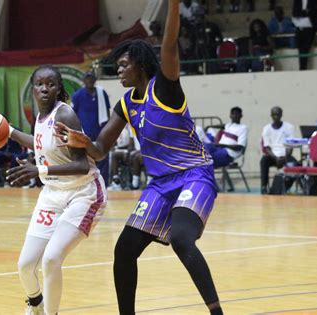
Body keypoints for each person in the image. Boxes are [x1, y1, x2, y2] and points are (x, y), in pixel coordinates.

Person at [54, 1, 223, 314]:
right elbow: (101, 148)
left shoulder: (166, 88)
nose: (118, 70)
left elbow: (170, 44)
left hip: (194, 175)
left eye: (124, 65)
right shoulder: (126, 103)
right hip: (159, 184)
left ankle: (217, 312)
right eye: (117, 66)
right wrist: (82, 142)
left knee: (182, 240)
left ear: (142, 65)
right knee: (124, 249)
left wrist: (172, 7)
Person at [5, 65, 107, 315]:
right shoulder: (40, 118)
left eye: (50, 84)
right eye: (39, 84)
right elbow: (41, 145)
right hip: (53, 194)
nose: (44, 88)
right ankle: (36, 302)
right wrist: (9, 132)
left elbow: (83, 165)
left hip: (83, 193)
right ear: (33, 88)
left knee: (51, 259)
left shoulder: (65, 115)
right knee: (26, 265)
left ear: (58, 88)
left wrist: (38, 171)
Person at [71, 71, 111, 185]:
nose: (90, 80)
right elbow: (73, 114)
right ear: (84, 80)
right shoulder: (78, 95)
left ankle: (104, 184)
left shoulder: (101, 93)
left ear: (95, 79)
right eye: (87, 78)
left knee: (102, 157)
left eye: (92, 78)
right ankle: (88, 184)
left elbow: (107, 112)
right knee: (87, 160)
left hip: (101, 133)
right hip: (85, 134)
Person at [260, 106, 297, 194]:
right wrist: (276, 158)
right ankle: (263, 187)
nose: (276, 116)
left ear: (281, 115)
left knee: (295, 165)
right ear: (271, 115)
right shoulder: (266, 129)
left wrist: (285, 157)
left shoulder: (289, 127)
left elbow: (290, 145)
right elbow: (267, 147)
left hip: (285, 156)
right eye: (274, 114)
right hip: (273, 156)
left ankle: (285, 187)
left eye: (278, 114)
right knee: (263, 161)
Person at [292, 0, 317, 70]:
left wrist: (303, 13)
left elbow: (313, 12)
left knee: (305, 48)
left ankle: (303, 67)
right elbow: (295, 13)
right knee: (300, 48)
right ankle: (302, 66)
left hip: (310, 27)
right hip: (300, 27)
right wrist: (305, 12)